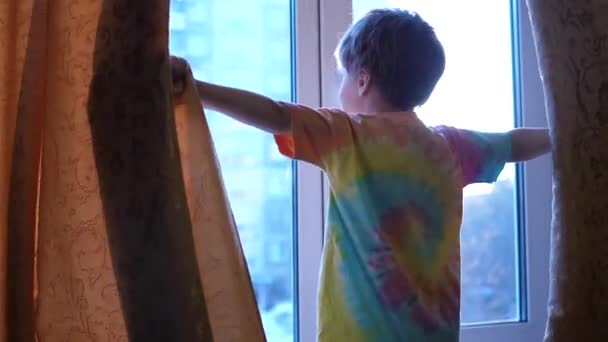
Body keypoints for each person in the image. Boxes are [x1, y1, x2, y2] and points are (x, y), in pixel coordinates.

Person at [171, 8, 550, 342]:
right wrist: (563, 134)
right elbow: (512, 144)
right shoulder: (449, 147)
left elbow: (273, 113)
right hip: (434, 333)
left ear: (363, 81)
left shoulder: (346, 134)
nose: (340, 89)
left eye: (343, 77)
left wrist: (197, 89)